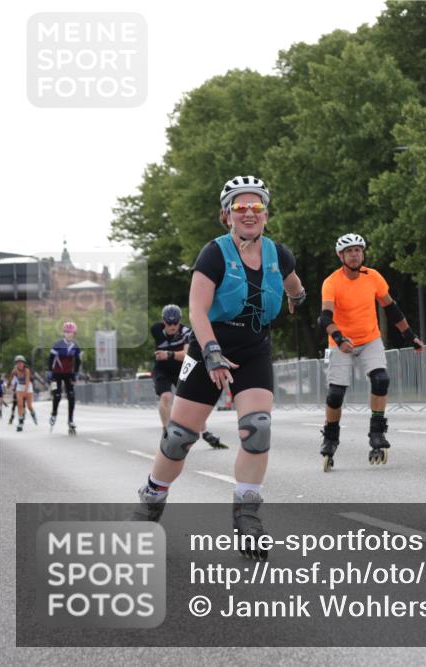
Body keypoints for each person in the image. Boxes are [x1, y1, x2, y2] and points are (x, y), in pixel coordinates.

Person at [132, 175, 306, 561]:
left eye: (256, 206)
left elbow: (293, 283)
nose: (249, 213)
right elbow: (197, 309)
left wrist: (297, 297)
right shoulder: (213, 253)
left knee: (257, 428)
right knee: (179, 436)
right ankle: (152, 497)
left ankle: (247, 514)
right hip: (209, 347)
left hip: (253, 349)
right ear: (226, 215)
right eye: (240, 207)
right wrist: (210, 351)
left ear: (265, 213)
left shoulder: (280, 253)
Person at [316, 233, 423, 470]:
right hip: (340, 342)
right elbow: (325, 318)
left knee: (380, 379)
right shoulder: (331, 282)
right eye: (349, 251)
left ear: (363, 253)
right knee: (335, 393)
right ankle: (331, 438)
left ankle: (377, 432)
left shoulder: (373, 277)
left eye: (358, 250)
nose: (355, 254)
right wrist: (340, 338)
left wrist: (410, 335)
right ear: (341, 256)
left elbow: (392, 309)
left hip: (369, 338)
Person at [150, 304, 226, 449]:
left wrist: (169, 354)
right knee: (166, 397)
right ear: (163, 321)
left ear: (180, 320)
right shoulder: (156, 329)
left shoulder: (186, 332)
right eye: (169, 323)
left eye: (176, 322)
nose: (172, 326)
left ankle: (205, 432)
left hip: (180, 368)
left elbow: (186, 355)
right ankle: (167, 431)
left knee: (192, 401)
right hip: (162, 369)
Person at [48, 321, 83, 435]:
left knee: (71, 397)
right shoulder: (58, 344)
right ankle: (54, 413)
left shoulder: (76, 346)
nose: (68, 334)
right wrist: (49, 371)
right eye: (66, 332)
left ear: (74, 334)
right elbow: (51, 358)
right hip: (56, 374)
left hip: (68, 374)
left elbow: (77, 361)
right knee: (57, 396)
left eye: (71, 332)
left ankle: (70, 420)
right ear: (63, 333)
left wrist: (76, 373)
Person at [9, 355, 38, 432]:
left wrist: (25, 389)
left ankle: (33, 414)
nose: (19, 364)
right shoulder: (14, 370)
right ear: (16, 364)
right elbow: (10, 379)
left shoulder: (27, 370)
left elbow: (28, 381)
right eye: (17, 363)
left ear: (24, 363)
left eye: (21, 363)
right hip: (20, 387)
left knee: (29, 406)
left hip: (28, 387)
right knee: (20, 405)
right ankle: (20, 423)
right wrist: (9, 385)